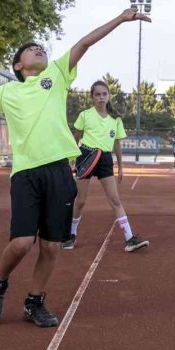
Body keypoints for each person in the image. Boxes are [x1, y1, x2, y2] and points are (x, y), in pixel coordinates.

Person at [0, 8, 150, 328]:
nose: (38, 48)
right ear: (18, 65)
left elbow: (85, 43)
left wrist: (121, 19)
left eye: (41, 47)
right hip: (26, 174)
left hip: (58, 172)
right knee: (23, 242)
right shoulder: (7, 92)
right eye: (30, 49)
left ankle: (34, 301)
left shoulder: (56, 75)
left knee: (52, 246)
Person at [63, 81, 149, 253]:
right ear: (92, 97)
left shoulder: (115, 119)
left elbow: (117, 144)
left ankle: (129, 239)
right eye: (97, 94)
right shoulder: (85, 115)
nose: (101, 97)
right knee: (80, 201)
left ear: (109, 95)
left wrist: (121, 167)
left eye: (104, 94)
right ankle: (71, 234)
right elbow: (75, 137)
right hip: (85, 157)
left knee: (115, 200)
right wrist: (70, 160)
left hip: (105, 160)